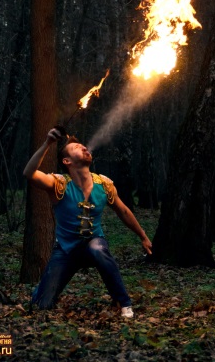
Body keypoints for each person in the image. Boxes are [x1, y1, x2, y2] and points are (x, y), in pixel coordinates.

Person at [23, 126, 152, 318]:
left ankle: (125, 305)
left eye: (84, 146)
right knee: (41, 305)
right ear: (66, 161)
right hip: (66, 250)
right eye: (76, 148)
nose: (84, 148)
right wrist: (48, 143)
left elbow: (124, 211)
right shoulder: (59, 184)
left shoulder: (104, 184)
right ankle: (40, 294)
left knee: (97, 249)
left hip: (94, 242)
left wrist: (143, 236)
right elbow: (29, 173)